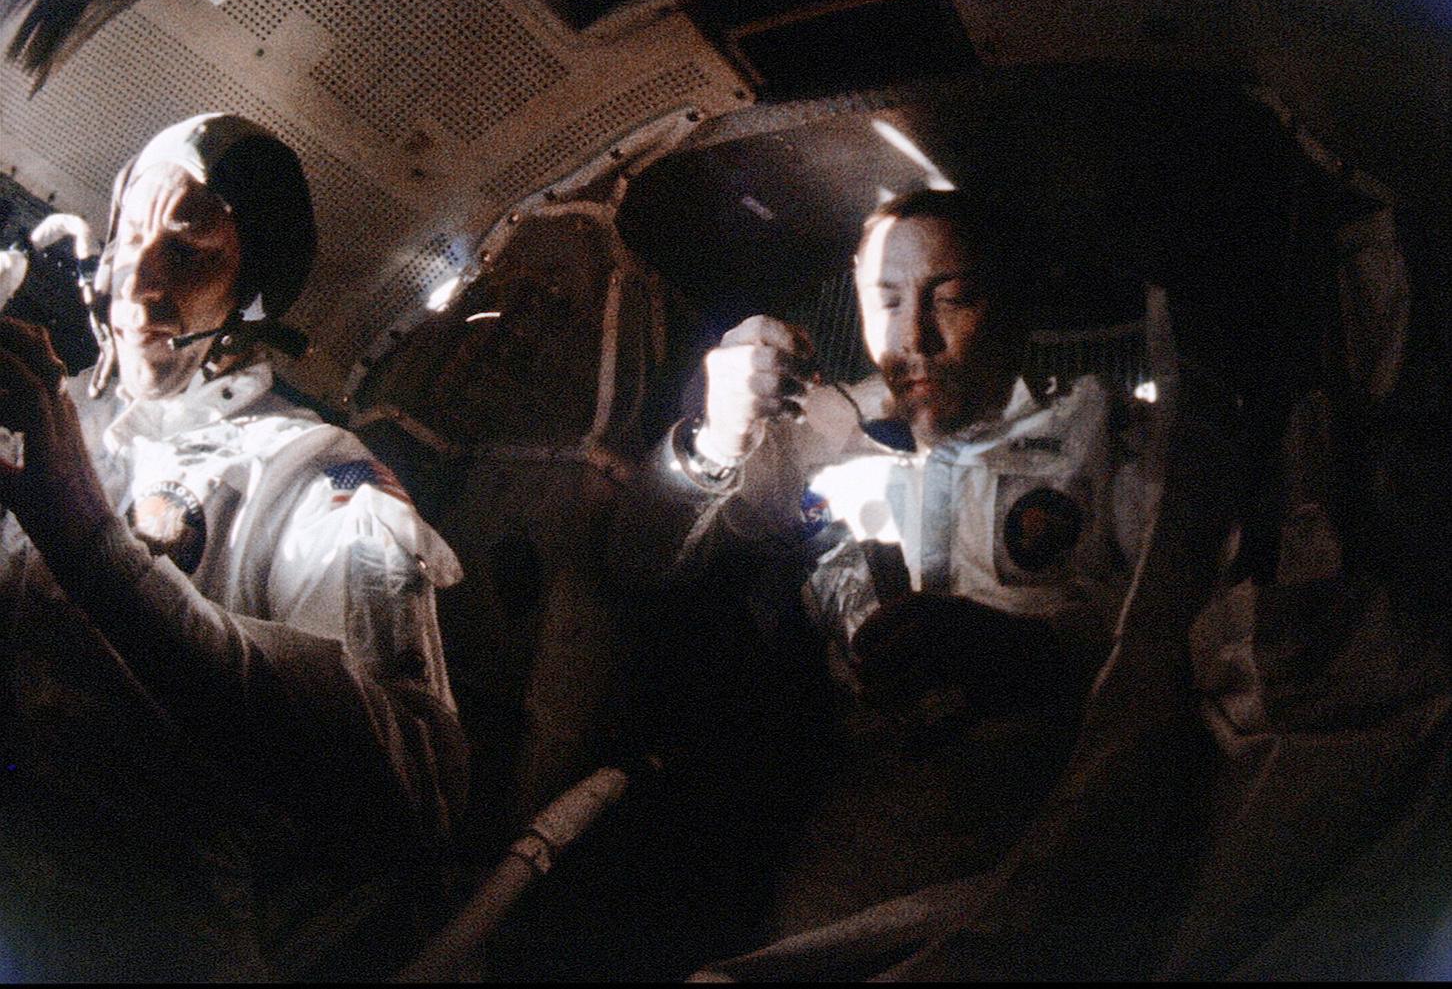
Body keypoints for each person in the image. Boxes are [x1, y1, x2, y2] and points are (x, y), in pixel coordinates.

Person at [601, 188, 1153, 969]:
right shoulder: (810, 440)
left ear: (1014, 307)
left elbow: (1180, 631)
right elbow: (641, 561)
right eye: (886, 301)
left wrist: (1028, 651)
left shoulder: (1100, 435)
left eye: (952, 298)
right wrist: (714, 439)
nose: (913, 338)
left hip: (1052, 812)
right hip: (865, 822)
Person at [0, 113, 468, 981]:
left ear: (249, 298)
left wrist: (94, 546)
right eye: (129, 238)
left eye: (185, 251)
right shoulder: (62, 415)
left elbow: (412, 793)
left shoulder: (321, 477)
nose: (137, 282)